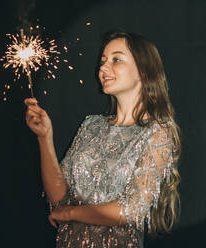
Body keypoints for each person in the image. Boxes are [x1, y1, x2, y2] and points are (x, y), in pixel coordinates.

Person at [24, 31, 182, 248]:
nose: (103, 68)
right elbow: (59, 198)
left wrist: (71, 213)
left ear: (144, 71)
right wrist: (45, 137)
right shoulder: (91, 125)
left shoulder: (158, 132)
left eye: (116, 59)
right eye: (103, 61)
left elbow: (131, 209)